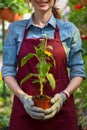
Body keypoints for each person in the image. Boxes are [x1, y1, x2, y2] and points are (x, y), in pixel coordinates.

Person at [1, 0, 86, 130]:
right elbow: (8, 70)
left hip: (62, 114)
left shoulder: (69, 30)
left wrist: (64, 96)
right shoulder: (15, 29)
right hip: (25, 112)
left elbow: (78, 71)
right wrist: (23, 98)